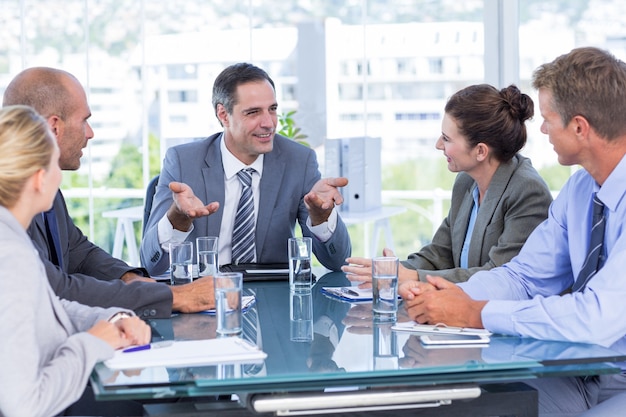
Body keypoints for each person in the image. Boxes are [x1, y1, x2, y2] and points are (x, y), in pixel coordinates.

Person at [400, 47, 626, 415]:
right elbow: (524, 277)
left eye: (549, 118)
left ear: (580, 127)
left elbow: (594, 318)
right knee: (445, 395)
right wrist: (445, 296)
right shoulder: (580, 191)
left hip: (615, 377)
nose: (541, 128)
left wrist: (475, 313)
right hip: (581, 370)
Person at [2, 67, 215, 318]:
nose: (90, 133)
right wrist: (175, 296)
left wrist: (128, 278)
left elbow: (78, 253)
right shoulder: (10, 204)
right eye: (84, 120)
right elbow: (54, 288)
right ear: (54, 128)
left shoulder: (45, 189)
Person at [0, 105, 151, 417]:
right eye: (54, 162)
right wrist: (91, 343)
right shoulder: (10, 254)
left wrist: (109, 320)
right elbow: (24, 407)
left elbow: (47, 305)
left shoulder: (12, 236)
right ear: (40, 178)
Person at [141, 62, 351, 275]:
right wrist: (177, 219)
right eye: (253, 112)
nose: (269, 123)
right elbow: (152, 264)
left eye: (273, 109)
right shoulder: (183, 162)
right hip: (205, 295)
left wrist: (322, 218)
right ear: (223, 115)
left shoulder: (299, 161)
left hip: (272, 297)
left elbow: (337, 262)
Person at [342, 84, 552, 285]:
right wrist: (392, 271)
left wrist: (411, 278)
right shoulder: (466, 182)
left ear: (480, 151)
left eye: (446, 139)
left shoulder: (527, 191)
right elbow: (440, 253)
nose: (438, 145)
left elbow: (499, 277)